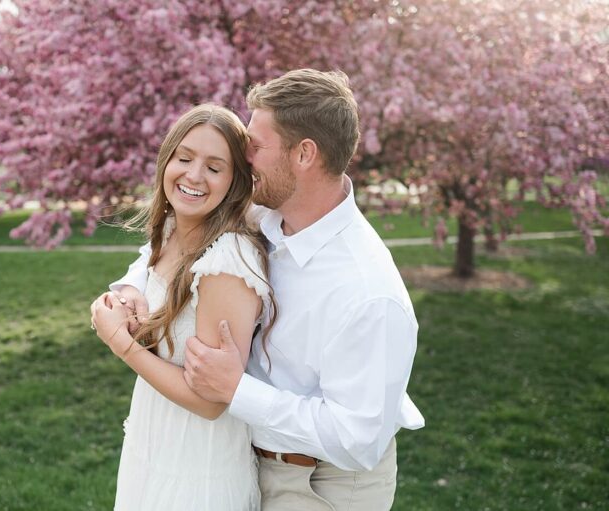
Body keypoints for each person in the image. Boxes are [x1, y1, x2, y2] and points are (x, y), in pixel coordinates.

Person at [110, 69, 425, 510]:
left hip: (324, 485)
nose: (245, 157)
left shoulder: (367, 290)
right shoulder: (266, 216)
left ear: (304, 154)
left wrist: (237, 390)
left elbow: (357, 441)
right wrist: (128, 287)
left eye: (255, 146)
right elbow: (177, 242)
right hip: (249, 460)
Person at [90, 104, 276, 511]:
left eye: (214, 167)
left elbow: (211, 401)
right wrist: (122, 297)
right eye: (185, 158)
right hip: (153, 444)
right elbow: (142, 276)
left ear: (234, 181)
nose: (193, 176)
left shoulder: (229, 260)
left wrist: (121, 343)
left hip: (198, 466)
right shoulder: (174, 228)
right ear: (167, 159)